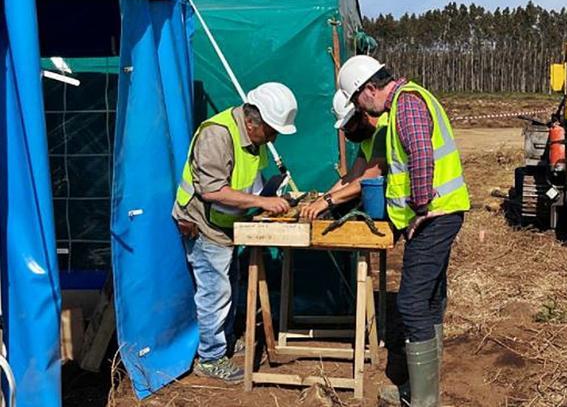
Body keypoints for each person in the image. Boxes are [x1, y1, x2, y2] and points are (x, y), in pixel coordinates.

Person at [338, 55, 470, 407]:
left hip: (434, 215)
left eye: (356, 100)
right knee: (428, 298)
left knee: (411, 303)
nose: (358, 108)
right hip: (443, 212)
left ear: (368, 89)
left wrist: (420, 208)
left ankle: (423, 399)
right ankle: (422, 388)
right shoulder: (404, 103)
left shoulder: (407, 103)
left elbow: (422, 156)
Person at [172, 82, 298, 383]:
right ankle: (212, 357)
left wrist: (268, 195)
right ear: (252, 122)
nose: (274, 138)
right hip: (204, 223)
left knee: (229, 282)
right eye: (271, 131)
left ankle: (225, 339)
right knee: (215, 292)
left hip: (229, 224)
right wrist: (263, 201)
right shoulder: (217, 134)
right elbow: (213, 190)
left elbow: (247, 181)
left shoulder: (254, 139)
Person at [300, 90, 389, 220]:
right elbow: (352, 177)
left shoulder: (384, 128)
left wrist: (327, 201)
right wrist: (320, 201)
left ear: (363, 113)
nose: (350, 131)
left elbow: (366, 179)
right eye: (345, 128)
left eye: (351, 125)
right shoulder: (367, 140)